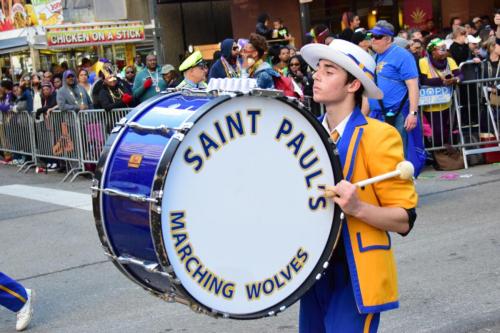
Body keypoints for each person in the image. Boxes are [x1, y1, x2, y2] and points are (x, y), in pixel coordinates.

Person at [299, 38, 418, 333]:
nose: (316, 75)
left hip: (355, 273)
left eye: (329, 71)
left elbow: (404, 219)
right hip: (311, 272)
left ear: (353, 85)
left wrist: (358, 207)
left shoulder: (381, 136)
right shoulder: (303, 134)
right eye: (317, 69)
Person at [366, 20, 426, 176]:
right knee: (382, 155)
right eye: (371, 35)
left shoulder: (402, 56)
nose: (372, 39)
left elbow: (413, 85)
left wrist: (413, 114)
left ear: (388, 39)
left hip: (398, 114)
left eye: (377, 36)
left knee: (400, 154)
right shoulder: (374, 57)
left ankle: (405, 190)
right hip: (378, 115)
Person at [419, 38, 462, 147]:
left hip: (447, 103)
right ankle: (438, 154)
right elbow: (424, 81)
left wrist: (455, 80)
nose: (445, 51)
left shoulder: (450, 61)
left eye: (445, 49)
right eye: (441, 49)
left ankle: (445, 154)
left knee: (447, 131)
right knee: (437, 132)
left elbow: (460, 74)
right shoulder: (423, 61)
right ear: (433, 51)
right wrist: (442, 81)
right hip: (430, 105)